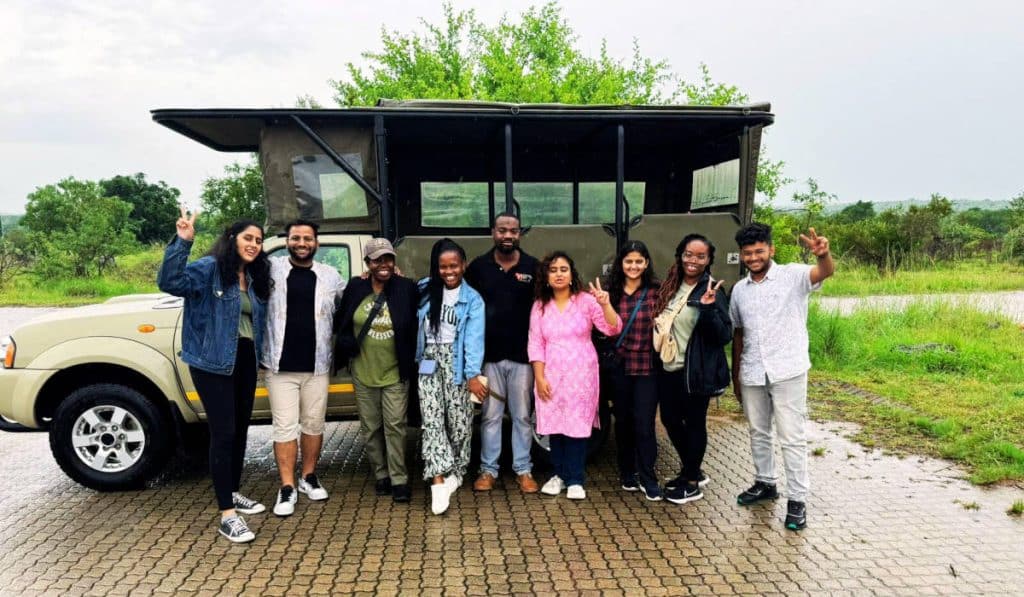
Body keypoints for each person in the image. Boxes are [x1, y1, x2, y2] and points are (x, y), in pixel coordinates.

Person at [157, 208, 270, 543]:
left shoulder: (253, 277)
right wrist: (183, 241)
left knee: (238, 432)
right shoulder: (208, 270)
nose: (254, 244)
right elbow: (170, 282)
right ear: (232, 238)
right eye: (248, 238)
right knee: (222, 433)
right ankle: (226, 515)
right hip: (212, 363)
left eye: (259, 240)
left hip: (245, 360)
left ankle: (232, 491)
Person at [730, 223, 835, 531]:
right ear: (741, 255)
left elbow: (823, 273)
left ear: (771, 250)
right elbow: (738, 333)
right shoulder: (739, 290)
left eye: (759, 251)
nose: (753, 257)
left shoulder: (792, 275)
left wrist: (824, 255)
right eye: (748, 253)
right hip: (752, 370)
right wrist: (737, 375)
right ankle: (765, 483)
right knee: (758, 431)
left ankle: (797, 501)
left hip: (788, 369)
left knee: (791, 437)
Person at [262, 219, 344, 517]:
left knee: (313, 424)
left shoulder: (330, 276)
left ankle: (308, 476)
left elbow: (348, 303)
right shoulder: (272, 269)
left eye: (307, 238)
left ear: (316, 243)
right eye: (296, 237)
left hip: (317, 366)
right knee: (284, 426)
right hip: (280, 366)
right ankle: (287, 487)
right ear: (287, 241)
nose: (301, 243)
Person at [529, 251, 622, 500]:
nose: (559, 274)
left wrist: (605, 303)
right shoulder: (540, 306)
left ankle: (575, 479)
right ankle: (558, 475)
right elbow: (535, 343)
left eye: (563, 269)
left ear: (572, 274)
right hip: (551, 374)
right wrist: (539, 377)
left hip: (582, 375)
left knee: (577, 427)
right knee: (556, 427)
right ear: (546, 276)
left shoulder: (586, 301)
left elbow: (613, 328)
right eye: (553, 270)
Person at [334, 238, 419, 503]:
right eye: (377, 260)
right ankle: (380, 474)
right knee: (370, 428)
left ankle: (399, 478)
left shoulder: (406, 287)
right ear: (367, 263)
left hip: (395, 372)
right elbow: (341, 319)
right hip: (363, 372)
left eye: (388, 259)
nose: (383, 265)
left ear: (395, 261)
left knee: (395, 426)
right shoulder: (356, 286)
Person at [652, 234, 732, 505]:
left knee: (694, 423)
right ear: (680, 254)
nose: (693, 261)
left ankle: (691, 482)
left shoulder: (710, 289)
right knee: (670, 420)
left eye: (700, 256)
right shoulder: (672, 285)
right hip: (668, 367)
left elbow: (724, 335)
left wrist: (708, 310)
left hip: (694, 370)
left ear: (709, 260)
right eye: (689, 254)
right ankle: (692, 470)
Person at [465, 212, 540, 494]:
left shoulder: (533, 266)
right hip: (489, 358)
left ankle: (523, 469)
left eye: (513, 231)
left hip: (523, 358)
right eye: (502, 230)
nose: (508, 235)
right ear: (493, 232)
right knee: (490, 416)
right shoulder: (479, 267)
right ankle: (488, 470)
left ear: (520, 233)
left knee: (522, 417)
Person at [415, 238, 487, 514]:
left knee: (459, 425)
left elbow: (474, 339)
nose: (449, 272)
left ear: (463, 265)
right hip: (429, 361)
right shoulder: (423, 289)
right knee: (432, 420)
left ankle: (456, 473)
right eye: (442, 267)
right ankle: (438, 481)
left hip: (457, 363)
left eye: (454, 266)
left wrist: (472, 374)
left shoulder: (472, 300)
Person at [602, 241, 663, 500]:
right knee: (624, 422)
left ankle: (648, 476)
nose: (634, 266)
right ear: (621, 264)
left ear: (646, 263)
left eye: (639, 261)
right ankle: (627, 472)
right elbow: (602, 328)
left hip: (647, 367)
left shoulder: (657, 292)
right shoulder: (611, 293)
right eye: (629, 261)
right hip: (619, 366)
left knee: (645, 424)